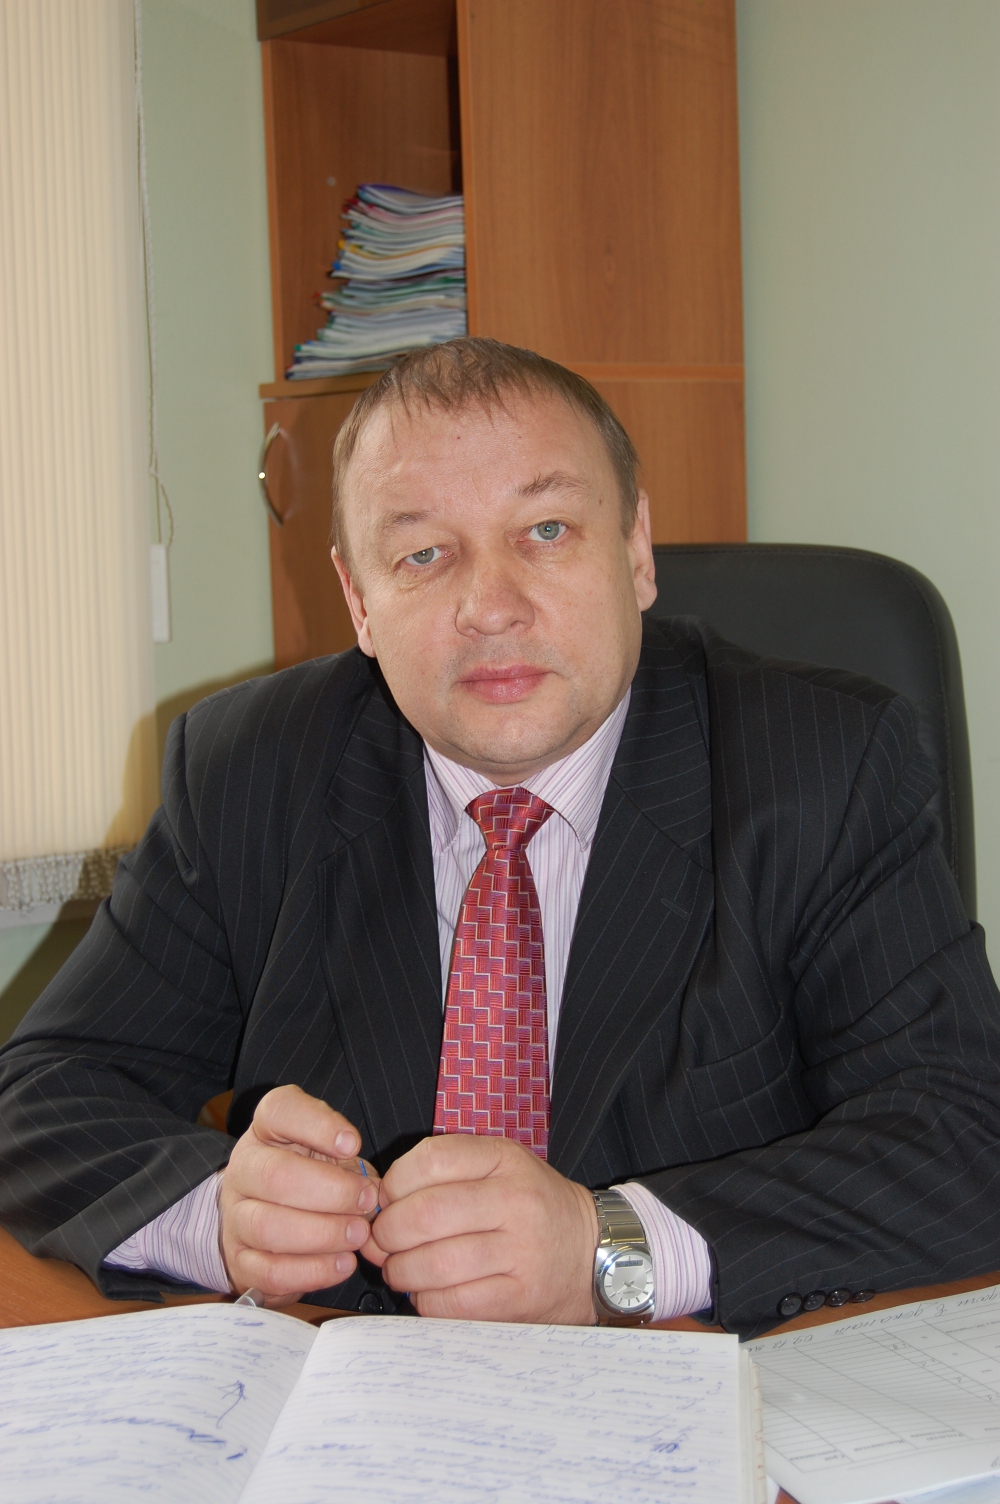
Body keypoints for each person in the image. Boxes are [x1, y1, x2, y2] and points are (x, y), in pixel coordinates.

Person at [1, 338, 999, 1341]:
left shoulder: (819, 764)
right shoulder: (249, 770)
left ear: (636, 550)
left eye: (546, 530)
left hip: (691, 1380)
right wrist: (215, 1216)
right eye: (423, 554)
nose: (489, 607)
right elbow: (39, 1095)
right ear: (359, 602)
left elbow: (965, 1133)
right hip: (360, 1396)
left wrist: (611, 1247)